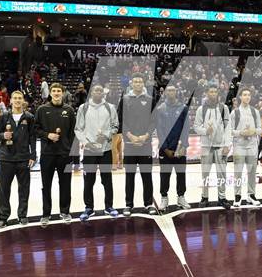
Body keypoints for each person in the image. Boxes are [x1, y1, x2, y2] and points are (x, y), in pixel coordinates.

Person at [74, 84, 119, 221]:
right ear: (91, 93)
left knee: (107, 179)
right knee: (88, 181)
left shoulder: (110, 107)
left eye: (100, 90)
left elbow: (115, 126)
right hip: (89, 150)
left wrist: (106, 135)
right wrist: (87, 143)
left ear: (103, 93)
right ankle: (88, 208)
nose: (98, 92)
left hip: (105, 149)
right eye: (95, 90)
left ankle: (109, 207)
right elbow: (78, 129)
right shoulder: (84, 107)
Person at [35, 83, 76, 225]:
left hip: (65, 155)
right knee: (46, 185)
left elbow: (73, 133)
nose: (57, 93)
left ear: (63, 93)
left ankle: (65, 212)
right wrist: (47, 135)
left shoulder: (69, 110)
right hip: (47, 154)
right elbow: (36, 129)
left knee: (66, 184)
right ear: (50, 93)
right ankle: (46, 214)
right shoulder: (42, 109)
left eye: (59, 91)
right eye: (54, 91)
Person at [0, 91, 36, 228]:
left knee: (24, 189)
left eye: (20, 98)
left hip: (23, 158)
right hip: (6, 158)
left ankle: (22, 215)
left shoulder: (29, 117)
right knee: (4, 189)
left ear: (23, 100)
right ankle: (3, 216)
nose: (17, 100)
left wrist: (33, 155)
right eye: (15, 98)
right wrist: (2, 135)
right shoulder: (4, 116)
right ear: (10, 101)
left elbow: (32, 138)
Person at [118, 73, 157, 216]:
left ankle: (148, 204)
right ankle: (129, 205)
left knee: (147, 176)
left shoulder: (150, 100)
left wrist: (146, 135)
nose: (138, 84)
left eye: (140, 81)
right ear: (131, 83)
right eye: (135, 81)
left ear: (143, 84)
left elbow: (154, 121)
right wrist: (130, 135)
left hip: (145, 144)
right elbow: (121, 120)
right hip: (129, 144)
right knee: (130, 176)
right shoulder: (125, 99)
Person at [194, 85, 231, 210]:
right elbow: (196, 127)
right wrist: (206, 131)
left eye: (215, 91)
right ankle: (204, 197)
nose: (213, 93)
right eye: (211, 91)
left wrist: (227, 144)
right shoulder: (201, 109)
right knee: (205, 174)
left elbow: (228, 128)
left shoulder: (224, 108)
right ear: (206, 93)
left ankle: (222, 197)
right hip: (206, 145)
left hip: (220, 145)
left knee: (222, 174)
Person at [156, 85, 191, 211]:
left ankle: (181, 197)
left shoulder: (183, 108)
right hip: (165, 150)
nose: (171, 92)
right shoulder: (160, 109)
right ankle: (164, 198)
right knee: (164, 175)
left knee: (181, 174)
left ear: (176, 92)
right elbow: (159, 130)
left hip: (180, 149)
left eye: (173, 90)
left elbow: (186, 128)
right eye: (168, 90)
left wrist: (183, 146)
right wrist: (165, 148)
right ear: (165, 93)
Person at [231, 87, 261, 207]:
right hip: (239, 146)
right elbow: (230, 130)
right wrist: (241, 133)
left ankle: (251, 194)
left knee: (252, 172)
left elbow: (260, 129)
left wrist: (252, 131)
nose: (247, 97)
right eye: (244, 94)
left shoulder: (255, 112)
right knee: (238, 172)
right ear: (240, 97)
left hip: (252, 146)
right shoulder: (235, 112)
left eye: (249, 95)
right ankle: (237, 196)